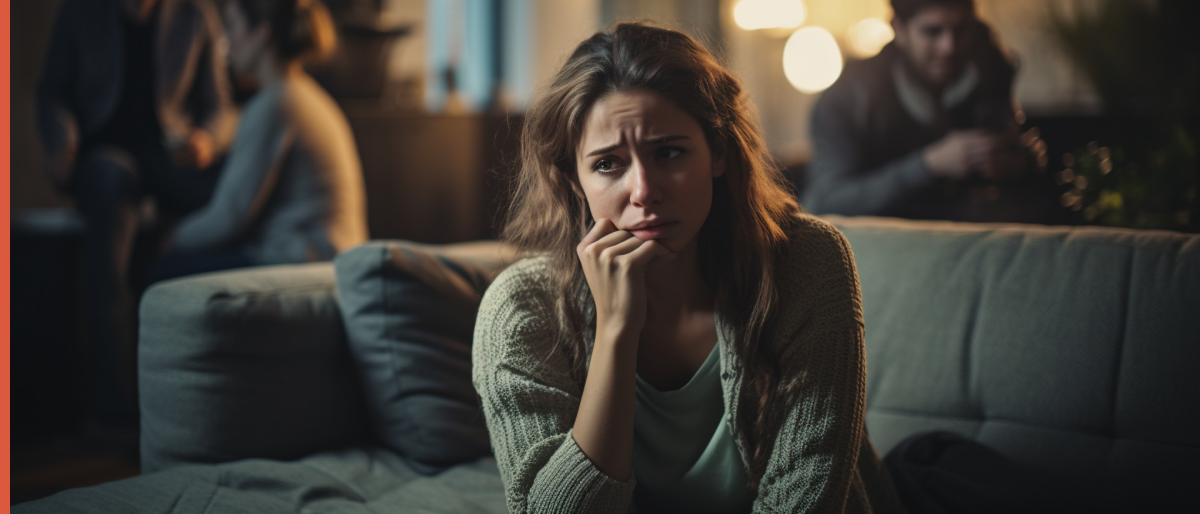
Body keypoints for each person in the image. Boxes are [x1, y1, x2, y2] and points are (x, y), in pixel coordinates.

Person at [472, 23, 906, 513]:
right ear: (574, 179)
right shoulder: (520, 308)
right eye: (608, 164)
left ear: (718, 152)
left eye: (668, 152)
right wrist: (616, 330)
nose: (643, 191)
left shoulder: (806, 262)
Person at [37, 0, 238, 428]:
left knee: (231, 204)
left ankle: (210, 399)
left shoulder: (196, 14)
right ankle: (116, 412)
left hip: (172, 155)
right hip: (105, 155)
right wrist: (63, 139)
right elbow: (52, 89)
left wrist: (208, 139)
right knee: (109, 210)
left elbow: (220, 106)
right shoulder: (79, 12)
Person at [144, 0, 369, 285]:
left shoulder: (275, 104)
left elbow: (228, 218)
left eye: (234, 27)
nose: (226, 42)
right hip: (329, 260)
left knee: (154, 276)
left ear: (262, 34)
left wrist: (170, 236)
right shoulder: (305, 96)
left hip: (299, 262)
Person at [803, 0, 1049, 222]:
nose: (949, 47)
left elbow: (1029, 151)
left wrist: (1021, 164)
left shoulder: (992, 65)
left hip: (971, 231)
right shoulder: (848, 98)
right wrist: (928, 165)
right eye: (932, 32)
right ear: (899, 30)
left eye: (961, 29)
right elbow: (830, 201)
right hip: (882, 244)